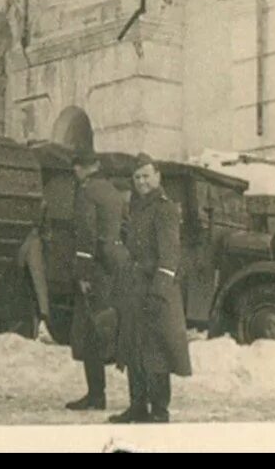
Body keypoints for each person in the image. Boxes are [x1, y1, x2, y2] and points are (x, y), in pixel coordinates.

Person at [110, 154, 192, 424]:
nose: (142, 182)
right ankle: (137, 406)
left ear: (158, 176)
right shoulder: (137, 207)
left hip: (156, 292)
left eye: (146, 176)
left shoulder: (164, 209)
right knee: (134, 348)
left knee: (156, 353)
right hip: (135, 289)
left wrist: (158, 293)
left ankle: (159, 410)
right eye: (137, 178)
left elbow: (169, 256)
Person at [65, 148, 126, 411]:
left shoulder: (86, 191)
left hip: (96, 270)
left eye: (76, 168)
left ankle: (96, 395)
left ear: (80, 168)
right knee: (108, 325)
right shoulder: (111, 191)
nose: (75, 173)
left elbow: (86, 235)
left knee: (90, 331)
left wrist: (82, 273)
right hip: (113, 267)